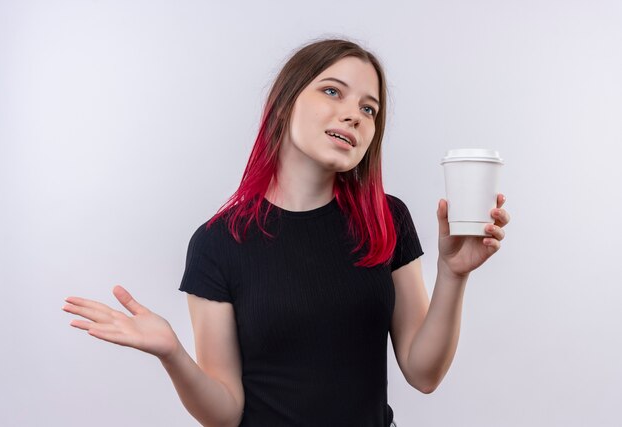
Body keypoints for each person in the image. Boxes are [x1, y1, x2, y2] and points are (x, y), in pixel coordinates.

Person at [63, 38, 510, 427]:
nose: (353, 115)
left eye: (368, 109)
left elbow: (423, 373)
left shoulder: (387, 219)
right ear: (284, 102)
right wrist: (173, 354)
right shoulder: (217, 244)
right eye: (332, 91)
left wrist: (453, 275)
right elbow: (225, 413)